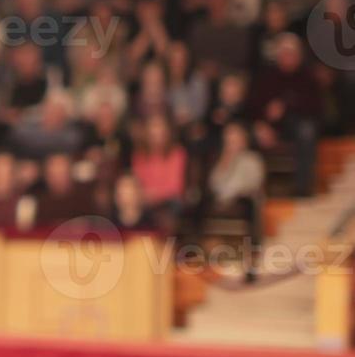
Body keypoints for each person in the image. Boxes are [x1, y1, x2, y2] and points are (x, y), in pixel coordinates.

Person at [248, 34, 322, 196]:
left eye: (291, 54)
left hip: (297, 124)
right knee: (246, 136)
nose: (288, 58)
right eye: (284, 53)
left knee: (307, 132)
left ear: (299, 56)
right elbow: (252, 106)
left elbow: (316, 107)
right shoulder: (265, 77)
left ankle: (302, 188)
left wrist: (286, 105)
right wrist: (261, 125)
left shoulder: (307, 77)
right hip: (268, 127)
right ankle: (255, 192)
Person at [201, 123, 266, 281]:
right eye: (229, 140)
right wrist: (226, 163)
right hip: (222, 202)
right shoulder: (222, 160)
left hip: (243, 201)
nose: (232, 143)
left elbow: (253, 183)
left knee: (250, 208)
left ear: (244, 140)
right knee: (200, 205)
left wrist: (232, 192)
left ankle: (250, 263)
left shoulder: (252, 160)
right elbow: (214, 183)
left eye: (235, 139)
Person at [131, 114, 187, 215]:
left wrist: (155, 196)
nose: (156, 136)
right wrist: (145, 195)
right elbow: (137, 182)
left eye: (159, 131)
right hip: (145, 200)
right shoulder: (139, 155)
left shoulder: (177, 153)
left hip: (168, 202)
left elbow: (175, 187)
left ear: (166, 133)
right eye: (153, 133)